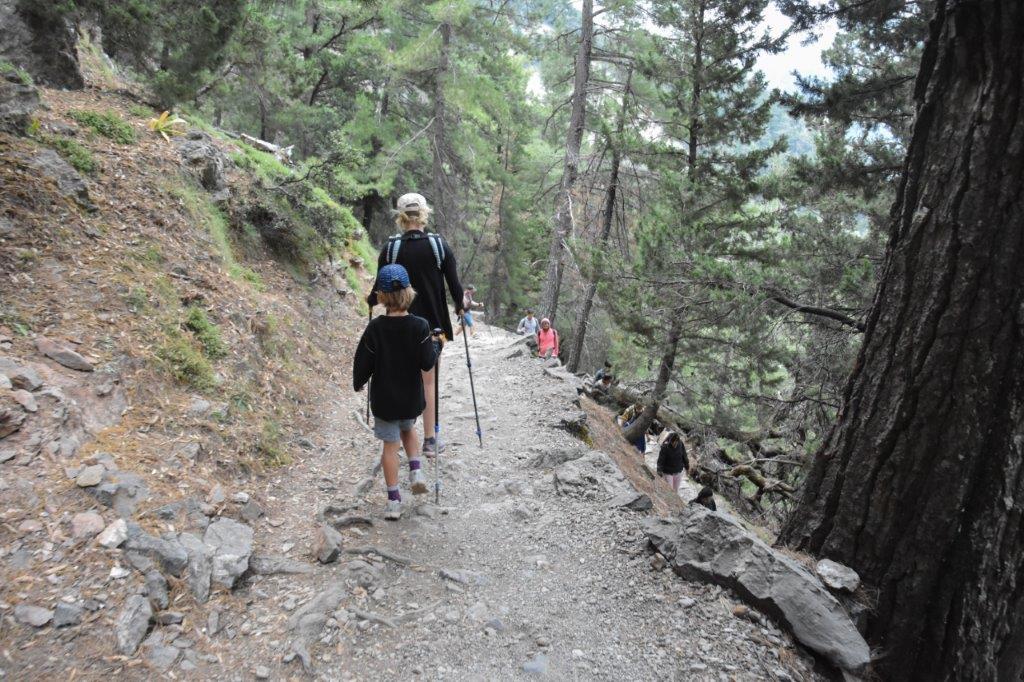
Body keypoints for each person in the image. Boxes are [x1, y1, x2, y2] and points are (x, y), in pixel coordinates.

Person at [368, 192, 464, 457]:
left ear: (400, 217)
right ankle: (430, 440)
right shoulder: (439, 245)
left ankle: (401, 433)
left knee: (402, 377)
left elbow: (378, 288)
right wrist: (460, 306)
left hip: (398, 325)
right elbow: (455, 286)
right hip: (433, 328)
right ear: (424, 214)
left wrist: (369, 301)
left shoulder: (391, 249)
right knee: (428, 382)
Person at [353, 264, 438, 520]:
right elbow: (426, 362)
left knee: (389, 447)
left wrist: (359, 381)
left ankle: (393, 501)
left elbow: (363, 362)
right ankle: (416, 471)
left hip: (385, 399)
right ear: (409, 292)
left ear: (381, 296)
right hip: (411, 397)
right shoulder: (421, 326)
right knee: (409, 429)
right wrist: (435, 347)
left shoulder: (375, 329)